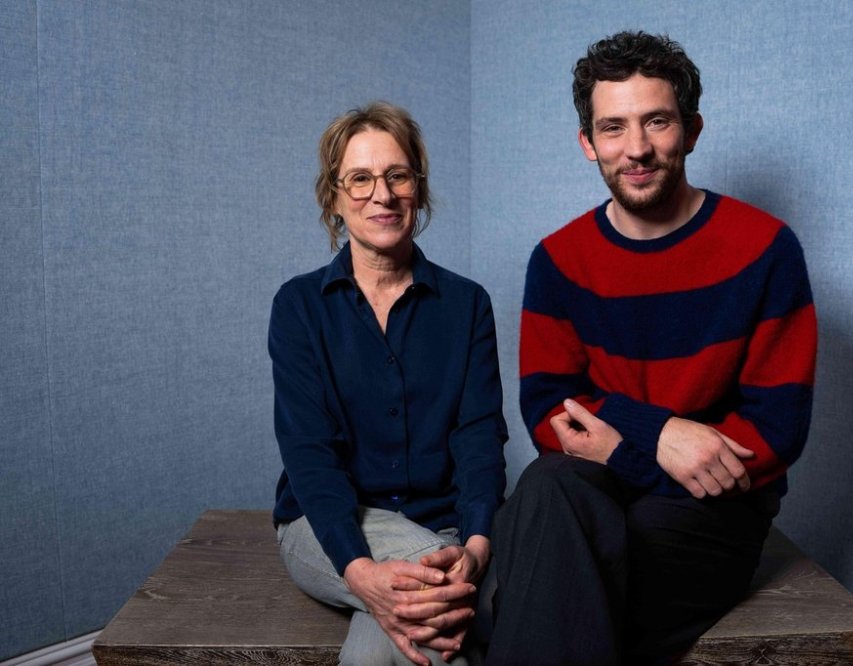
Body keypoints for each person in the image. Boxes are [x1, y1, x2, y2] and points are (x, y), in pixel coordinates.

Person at [487, 31, 817, 665]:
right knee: (546, 488)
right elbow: (550, 411)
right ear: (588, 143)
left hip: (712, 510)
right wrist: (660, 434)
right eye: (613, 127)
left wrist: (622, 448)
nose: (635, 149)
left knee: (568, 548)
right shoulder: (558, 260)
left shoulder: (767, 249)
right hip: (596, 484)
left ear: (690, 130)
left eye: (656, 122)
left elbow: (774, 431)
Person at [269, 101, 507, 666]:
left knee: (378, 654)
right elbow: (309, 455)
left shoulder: (467, 304)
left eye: (398, 175)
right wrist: (361, 572)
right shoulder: (299, 306)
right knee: (439, 600)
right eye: (361, 178)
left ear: (418, 190)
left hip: (445, 528)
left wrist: (475, 545)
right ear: (334, 195)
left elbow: (478, 438)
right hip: (325, 526)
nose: (383, 194)